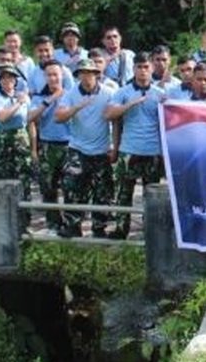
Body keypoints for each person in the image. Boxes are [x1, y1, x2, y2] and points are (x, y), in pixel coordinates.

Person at [106, 52, 165, 239]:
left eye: (146, 67)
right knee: (124, 193)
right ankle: (121, 229)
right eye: (139, 67)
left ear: (152, 68)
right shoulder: (122, 92)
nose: (143, 71)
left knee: (152, 195)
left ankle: (150, 231)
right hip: (129, 150)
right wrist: (129, 104)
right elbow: (108, 114)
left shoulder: (160, 94)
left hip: (153, 150)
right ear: (133, 69)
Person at [57, 60, 118, 238]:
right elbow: (58, 117)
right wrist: (77, 107)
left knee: (103, 191)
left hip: (101, 149)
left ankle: (99, 227)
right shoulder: (71, 94)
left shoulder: (108, 93)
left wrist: (114, 146)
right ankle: (73, 225)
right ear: (78, 75)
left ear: (97, 74)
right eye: (83, 73)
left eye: (90, 72)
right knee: (72, 187)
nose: (87, 76)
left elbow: (115, 120)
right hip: (78, 148)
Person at [0, 65, 34, 230]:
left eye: (11, 77)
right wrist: (18, 103)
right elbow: (1, 117)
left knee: (24, 181)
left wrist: (33, 149)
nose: (7, 80)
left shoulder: (23, 97)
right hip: (2, 142)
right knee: (3, 182)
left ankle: (25, 222)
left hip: (21, 141)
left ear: (15, 80)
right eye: (4, 77)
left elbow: (30, 122)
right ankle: (4, 222)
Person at [29, 61, 70, 232]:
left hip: (70, 146)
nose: (53, 78)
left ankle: (70, 224)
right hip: (48, 146)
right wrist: (51, 99)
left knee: (70, 188)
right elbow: (30, 117)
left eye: (56, 74)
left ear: (62, 75)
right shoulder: (39, 98)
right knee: (48, 188)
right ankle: (53, 224)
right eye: (49, 75)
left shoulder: (71, 94)